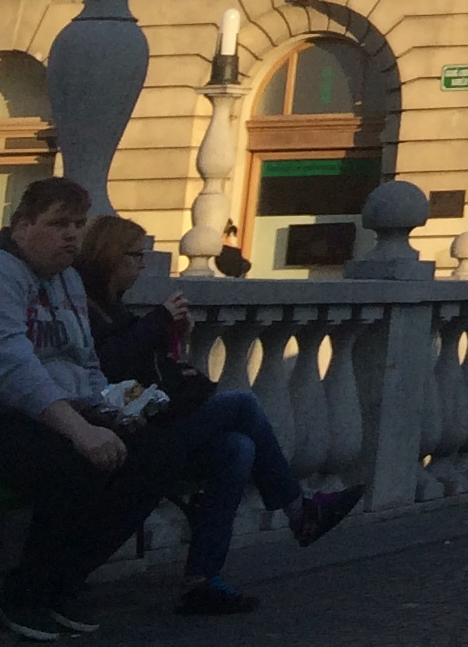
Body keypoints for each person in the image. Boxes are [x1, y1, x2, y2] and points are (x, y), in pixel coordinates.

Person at [0, 176, 175, 640]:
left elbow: (84, 361)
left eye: (77, 224)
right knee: (73, 462)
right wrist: (81, 430)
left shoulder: (67, 280)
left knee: (156, 454)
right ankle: (23, 594)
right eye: (57, 223)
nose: (71, 234)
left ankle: (62, 582)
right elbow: (11, 369)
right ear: (22, 227)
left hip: (28, 419)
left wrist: (111, 411)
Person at [72, 216, 358, 614]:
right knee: (242, 404)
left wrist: (170, 334)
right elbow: (104, 365)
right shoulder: (81, 301)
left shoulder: (111, 304)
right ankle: (299, 510)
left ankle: (203, 578)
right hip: (118, 426)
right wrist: (158, 322)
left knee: (237, 448)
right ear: (111, 256)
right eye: (137, 255)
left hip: (142, 416)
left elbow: (135, 364)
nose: (142, 265)